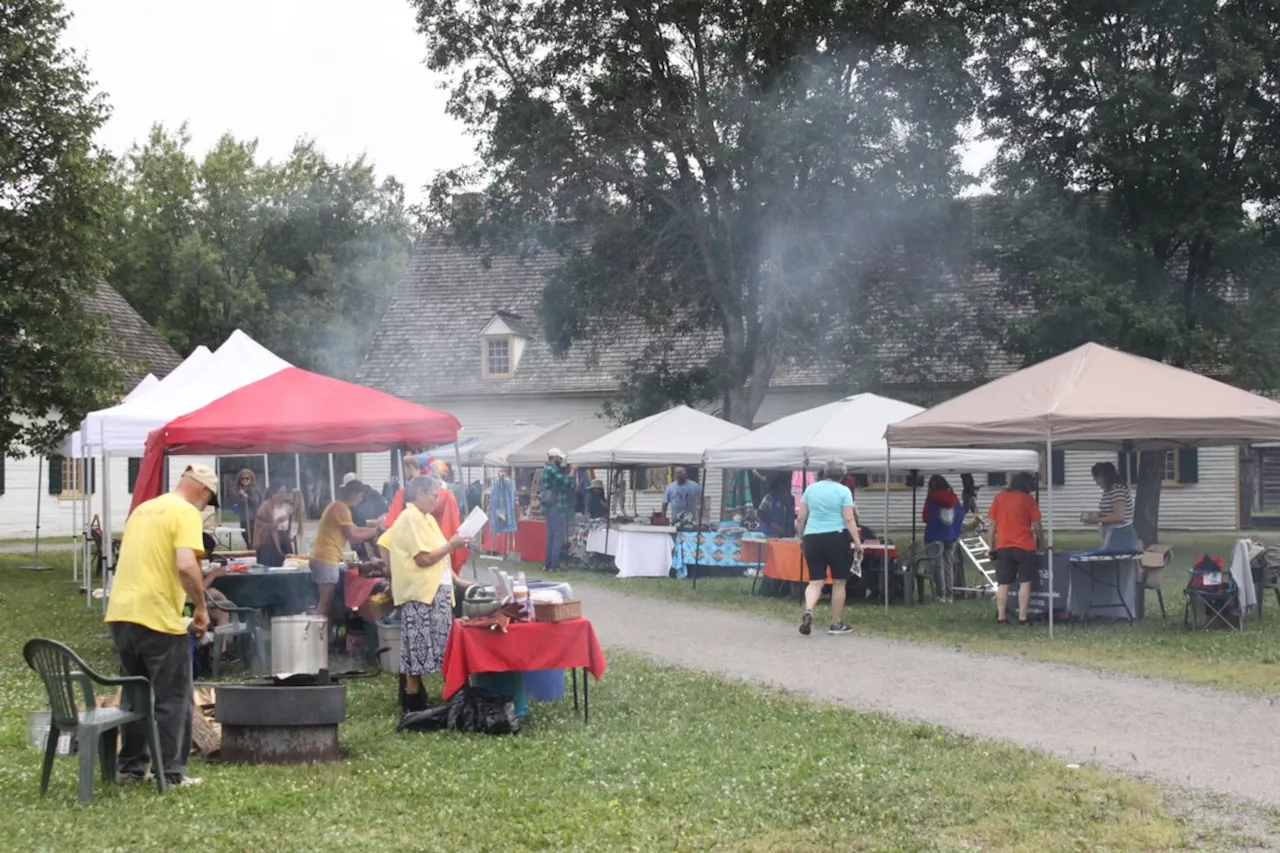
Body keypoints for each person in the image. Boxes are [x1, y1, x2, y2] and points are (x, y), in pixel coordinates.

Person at [105, 463, 218, 788]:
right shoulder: (185, 513)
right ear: (202, 489)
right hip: (156, 618)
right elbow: (186, 565)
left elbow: (146, 566)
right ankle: (171, 774)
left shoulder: (144, 509)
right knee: (174, 698)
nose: (205, 507)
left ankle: (130, 769)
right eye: (208, 500)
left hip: (122, 613)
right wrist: (200, 607)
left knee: (135, 695)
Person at [378, 475, 474, 712]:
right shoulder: (410, 517)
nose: (437, 499)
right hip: (422, 594)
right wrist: (452, 545)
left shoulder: (426, 518)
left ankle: (448, 695)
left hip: (436, 592)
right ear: (419, 493)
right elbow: (423, 559)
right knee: (417, 650)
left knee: (443, 646)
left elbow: (437, 556)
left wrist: (456, 578)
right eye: (433, 494)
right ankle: (415, 702)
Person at [796, 459, 864, 636]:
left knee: (815, 581)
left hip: (812, 536)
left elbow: (801, 516)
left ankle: (809, 609)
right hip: (836, 536)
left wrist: (801, 537)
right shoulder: (844, 491)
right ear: (842, 475)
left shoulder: (810, 489)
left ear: (825, 472)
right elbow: (849, 518)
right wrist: (857, 541)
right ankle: (836, 623)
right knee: (839, 581)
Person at [311, 480, 380, 624]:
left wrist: (377, 530)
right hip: (326, 558)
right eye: (360, 495)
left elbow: (355, 529)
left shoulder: (338, 506)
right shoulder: (341, 509)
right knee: (325, 602)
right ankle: (315, 636)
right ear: (353, 494)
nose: (361, 499)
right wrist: (376, 531)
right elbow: (353, 536)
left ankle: (320, 635)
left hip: (323, 557)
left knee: (326, 602)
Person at [988, 472, 1044, 626]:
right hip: (1025, 546)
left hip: (1004, 545)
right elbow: (1037, 526)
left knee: (1003, 584)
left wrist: (991, 546)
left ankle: (1001, 617)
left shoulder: (999, 498)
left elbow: (992, 525)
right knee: (1025, 582)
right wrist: (1042, 543)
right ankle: (1023, 618)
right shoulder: (1028, 499)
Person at [923, 475, 965, 603]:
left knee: (938, 566)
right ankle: (949, 595)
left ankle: (940, 594)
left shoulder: (931, 499)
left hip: (935, 535)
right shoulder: (954, 498)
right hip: (951, 535)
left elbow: (925, 517)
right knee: (949, 565)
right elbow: (960, 515)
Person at [1082, 461, 1139, 551]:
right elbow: (1110, 511)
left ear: (1102, 476)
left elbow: (1119, 516)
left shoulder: (1117, 490)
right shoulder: (1108, 490)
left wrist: (1095, 520)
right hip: (1112, 533)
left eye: (1096, 478)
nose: (1096, 482)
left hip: (1122, 534)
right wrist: (1097, 515)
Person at [540, 448, 577, 572]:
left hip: (548, 507)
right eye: (559, 458)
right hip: (557, 506)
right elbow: (567, 481)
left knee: (551, 535)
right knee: (558, 536)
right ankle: (554, 565)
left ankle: (548, 564)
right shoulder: (552, 470)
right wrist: (573, 469)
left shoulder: (546, 470)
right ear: (554, 458)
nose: (560, 460)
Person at [230, 468, 261, 549]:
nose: (245, 480)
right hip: (243, 519)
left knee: (253, 539)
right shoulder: (239, 491)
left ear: (251, 479)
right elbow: (234, 504)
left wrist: (246, 496)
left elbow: (255, 503)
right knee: (245, 537)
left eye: (247, 478)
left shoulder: (254, 490)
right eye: (242, 478)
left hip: (252, 519)